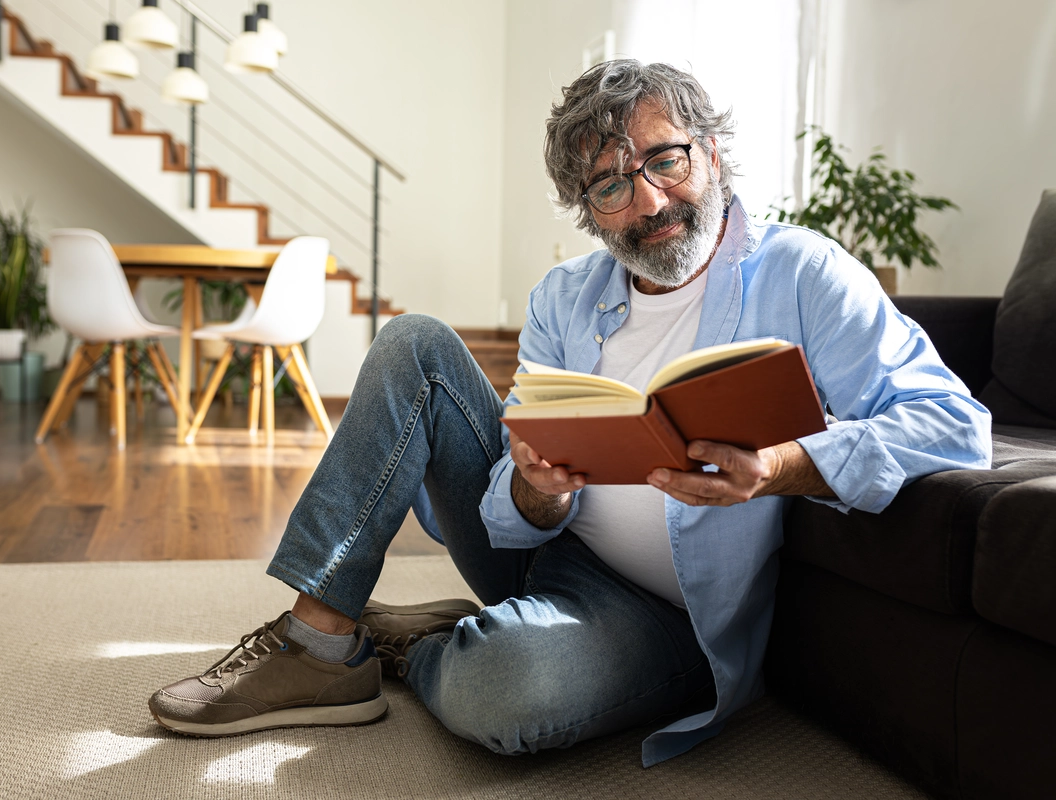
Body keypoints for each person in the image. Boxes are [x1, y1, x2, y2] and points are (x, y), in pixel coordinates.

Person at [149, 60, 992, 767]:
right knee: (414, 343)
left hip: (663, 615)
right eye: (613, 184)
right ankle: (319, 643)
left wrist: (780, 468)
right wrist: (536, 492)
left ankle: (425, 645)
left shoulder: (805, 273)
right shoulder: (565, 296)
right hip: (541, 555)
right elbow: (507, 517)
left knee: (503, 692)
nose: (652, 200)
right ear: (587, 210)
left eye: (666, 160)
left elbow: (952, 424)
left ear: (715, 154)